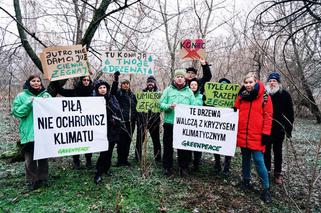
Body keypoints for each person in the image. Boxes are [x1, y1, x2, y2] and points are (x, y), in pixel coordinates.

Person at [234, 72, 273, 203]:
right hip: (243, 133)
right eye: (246, 82)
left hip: (257, 135)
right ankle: (246, 181)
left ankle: (266, 189)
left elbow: (268, 115)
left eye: (250, 82)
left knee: (258, 161)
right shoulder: (241, 95)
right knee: (245, 159)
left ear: (256, 81)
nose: (248, 85)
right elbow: (236, 110)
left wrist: (266, 133)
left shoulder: (265, 96)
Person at [12, 74, 51, 190]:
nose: (36, 83)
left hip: (44, 131)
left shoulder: (46, 95)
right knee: (30, 158)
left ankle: (43, 178)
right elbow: (17, 112)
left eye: (38, 81)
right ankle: (32, 180)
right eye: (33, 81)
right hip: (28, 132)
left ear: (41, 83)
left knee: (43, 156)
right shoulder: (21, 96)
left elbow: (53, 110)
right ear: (29, 82)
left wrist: (46, 102)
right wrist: (29, 103)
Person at [159, 69, 196, 176]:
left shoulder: (189, 92)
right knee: (167, 146)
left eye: (181, 77)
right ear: (174, 78)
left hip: (184, 125)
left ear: (184, 78)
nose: (179, 78)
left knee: (183, 147)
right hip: (169, 123)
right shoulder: (168, 90)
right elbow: (160, 104)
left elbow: (194, 107)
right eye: (177, 76)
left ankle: (183, 168)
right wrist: (169, 106)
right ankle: (167, 167)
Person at [54, 76, 94, 169]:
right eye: (84, 80)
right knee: (76, 141)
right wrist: (55, 81)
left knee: (88, 141)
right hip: (75, 122)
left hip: (88, 122)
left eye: (88, 80)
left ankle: (89, 161)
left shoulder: (93, 92)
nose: (86, 81)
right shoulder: (75, 92)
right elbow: (61, 91)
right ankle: (76, 161)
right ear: (81, 81)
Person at [264, 72, 294, 184]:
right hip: (266, 128)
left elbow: (290, 114)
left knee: (278, 152)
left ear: (278, 83)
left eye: (274, 81)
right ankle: (266, 171)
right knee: (266, 151)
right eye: (270, 81)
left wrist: (288, 129)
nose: (272, 83)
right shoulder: (265, 94)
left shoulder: (285, 95)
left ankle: (277, 173)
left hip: (279, 128)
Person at [93, 80, 122, 184]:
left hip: (112, 128)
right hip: (100, 129)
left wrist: (108, 102)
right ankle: (98, 172)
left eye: (104, 87)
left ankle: (106, 168)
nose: (102, 90)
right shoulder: (93, 100)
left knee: (109, 150)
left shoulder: (112, 98)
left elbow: (117, 110)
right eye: (100, 88)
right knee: (103, 151)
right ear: (97, 90)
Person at [111, 71, 137, 166]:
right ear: (121, 85)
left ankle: (125, 160)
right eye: (124, 84)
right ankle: (120, 161)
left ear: (129, 85)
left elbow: (136, 107)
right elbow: (112, 92)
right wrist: (116, 79)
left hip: (131, 122)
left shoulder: (132, 95)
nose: (125, 85)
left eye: (127, 84)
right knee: (121, 142)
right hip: (121, 122)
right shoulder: (118, 94)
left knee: (128, 142)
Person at [136, 76, 161, 162]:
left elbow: (161, 107)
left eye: (152, 82)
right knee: (140, 140)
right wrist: (140, 118)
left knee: (156, 140)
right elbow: (138, 106)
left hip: (154, 121)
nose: (150, 83)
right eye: (149, 82)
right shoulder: (142, 93)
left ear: (154, 83)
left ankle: (157, 157)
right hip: (142, 120)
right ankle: (138, 157)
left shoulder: (159, 94)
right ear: (147, 83)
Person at [213, 78, 233, 176]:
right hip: (216, 126)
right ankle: (217, 164)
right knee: (216, 144)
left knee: (228, 146)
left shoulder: (233, 98)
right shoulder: (214, 97)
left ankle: (227, 166)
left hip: (228, 126)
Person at [188, 78, 203, 172]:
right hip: (188, 123)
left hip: (199, 124)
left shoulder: (201, 96)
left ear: (198, 86)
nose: (193, 86)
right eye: (192, 84)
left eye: (195, 85)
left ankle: (196, 164)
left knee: (198, 144)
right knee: (188, 143)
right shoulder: (186, 95)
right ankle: (188, 161)